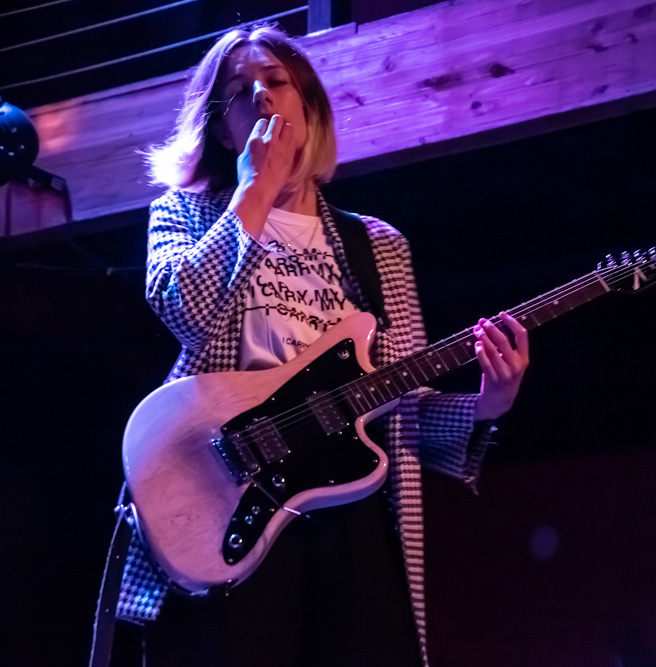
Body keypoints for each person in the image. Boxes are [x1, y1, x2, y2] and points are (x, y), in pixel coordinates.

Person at [116, 24, 529, 667]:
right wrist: (254, 191)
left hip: (350, 512)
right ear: (222, 129)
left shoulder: (378, 245)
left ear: (309, 106)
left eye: (277, 83)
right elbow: (185, 312)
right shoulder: (185, 214)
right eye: (240, 92)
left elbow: (403, 409)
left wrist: (486, 404)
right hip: (237, 499)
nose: (262, 98)